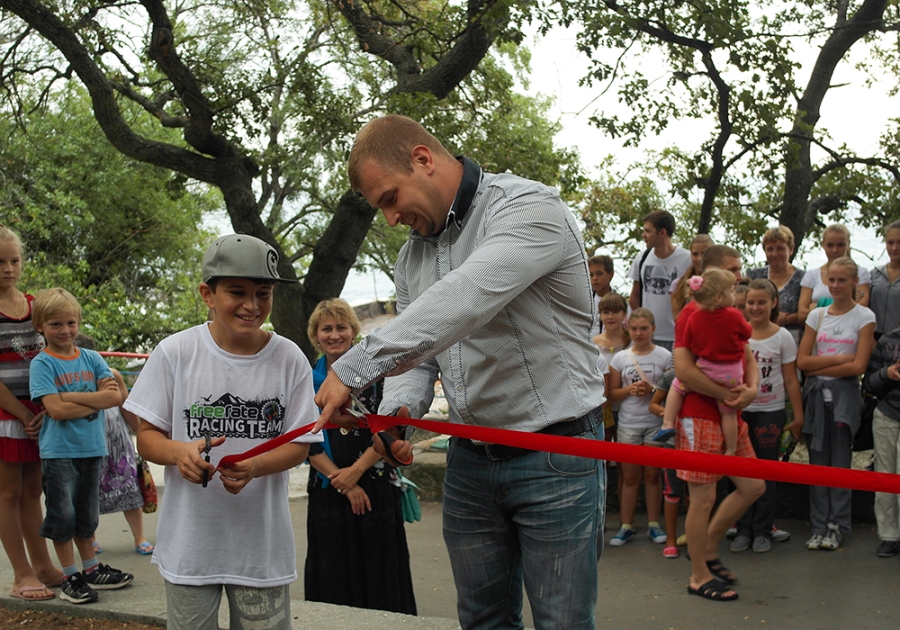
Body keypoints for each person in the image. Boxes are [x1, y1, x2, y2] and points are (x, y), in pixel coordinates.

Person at [315, 115, 605, 630]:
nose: (390, 218)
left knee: (562, 623)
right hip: (470, 463)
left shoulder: (529, 208)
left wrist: (355, 366)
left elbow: (465, 298)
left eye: (390, 198)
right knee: (481, 621)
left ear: (423, 159)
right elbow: (420, 356)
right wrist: (396, 415)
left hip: (557, 454)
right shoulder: (412, 259)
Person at [127, 234, 322, 630]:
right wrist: (180, 453)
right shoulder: (175, 353)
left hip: (261, 549)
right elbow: (146, 436)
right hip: (190, 545)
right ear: (208, 294)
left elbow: (301, 445)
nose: (252, 305)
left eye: (263, 293)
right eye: (237, 292)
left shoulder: (289, 358)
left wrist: (257, 465)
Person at [304, 298, 416, 614]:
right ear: (316, 335)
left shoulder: (378, 376)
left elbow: (390, 430)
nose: (334, 335)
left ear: (353, 331)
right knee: (332, 576)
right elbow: (305, 438)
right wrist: (345, 484)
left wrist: (355, 473)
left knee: (382, 573)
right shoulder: (306, 380)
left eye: (341, 327)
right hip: (328, 487)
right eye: (326, 329)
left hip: (375, 484)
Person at [29, 288, 133, 604]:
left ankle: (91, 568)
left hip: (92, 447)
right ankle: (69, 575)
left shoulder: (91, 358)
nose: (65, 330)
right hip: (59, 451)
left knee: (87, 513)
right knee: (63, 514)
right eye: (56, 324)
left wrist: (69, 396)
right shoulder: (42, 364)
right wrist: (92, 400)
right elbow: (55, 411)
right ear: (40, 326)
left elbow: (114, 397)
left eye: (70, 323)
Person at [674, 245, 765, 602]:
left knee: (753, 485)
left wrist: (751, 390)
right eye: (734, 269)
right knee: (702, 498)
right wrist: (727, 395)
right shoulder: (690, 314)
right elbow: (684, 371)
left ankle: (707, 549)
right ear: (708, 272)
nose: (740, 276)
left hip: (731, 413)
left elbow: (747, 355)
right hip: (699, 416)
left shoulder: (728, 310)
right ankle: (698, 576)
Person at [0, 226, 64, 602]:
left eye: (14, 260)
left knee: (32, 491)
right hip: (8, 417)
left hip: (40, 415)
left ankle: (42, 565)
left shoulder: (35, 306)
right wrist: (22, 414)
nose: (8, 269)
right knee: (7, 492)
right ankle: (21, 573)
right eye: (0, 262)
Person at [797, 256, 875, 551]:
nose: (836, 285)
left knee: (840, 465)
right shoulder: (817, 316)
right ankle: (818, 526)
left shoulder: (864, 316)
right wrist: (841, 358)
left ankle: (837, 525)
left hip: (844, 400)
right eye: (832, 280)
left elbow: (859, 367)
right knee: (817, 465)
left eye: (843, 280)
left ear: (855, 282)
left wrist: (821, 365)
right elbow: (803, 362)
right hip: (816, 399)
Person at [729, 279, 803, 553]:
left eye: (762, 302)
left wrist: (797, 415)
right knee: (739, 470)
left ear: (773, 303)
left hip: (770, 411)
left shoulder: (783, 337)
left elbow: (791, 379)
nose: (755, 307)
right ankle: (742, 527)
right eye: (750, 302)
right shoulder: (739, 334)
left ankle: (762, 528)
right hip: (740, 411)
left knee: (766, 470)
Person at [656, 268, 752, 457]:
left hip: (707, 369)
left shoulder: (694, 317)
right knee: (728, 413)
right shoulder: (734, 315)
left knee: (677, 385)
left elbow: (689, 343)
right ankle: (731, 449)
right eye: (731, 292)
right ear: (718, 297)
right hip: (732, 374)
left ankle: (667, 422)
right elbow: (747, 334)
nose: (734, 296)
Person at [72, 334, 153, 556]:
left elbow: (125, 406)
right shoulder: (69, 380)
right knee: (87, 492)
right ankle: (90, 538)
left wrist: (140, 433)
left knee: (129, 487)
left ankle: (139, 537)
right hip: (87, 442)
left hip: (117, 442)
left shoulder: (111, 375)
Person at [607, 308, 671, 547]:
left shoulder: (665, 356)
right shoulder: (620, 358)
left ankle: (654, 524)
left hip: (654, 422)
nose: (639, 333)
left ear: (653, 329)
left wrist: (652, 390)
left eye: (644, 328)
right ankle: (626, 525)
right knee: (630, 477)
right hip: (629, 423)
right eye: (634, 329)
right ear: (628, 329)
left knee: (653, 476)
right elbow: (612, 394)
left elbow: (672, 391)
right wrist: (630, 390)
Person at [628, 210, 693, 350]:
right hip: (648, 336)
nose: (643, 235)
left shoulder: (687, 259)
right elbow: (635, 294)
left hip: (677, 335)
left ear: (662, 233)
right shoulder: (643, 258)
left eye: (647, 231)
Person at [863, 315, 900, 557]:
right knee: (885, 477)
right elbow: (868, 383)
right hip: (887, 416)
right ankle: (889, 535)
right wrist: (887, 373)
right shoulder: (887, 340)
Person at [798, 224, 871, 323]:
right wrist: (847, 303)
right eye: (830, 245)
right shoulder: (812, 275)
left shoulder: (860, 273)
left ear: (848, 244)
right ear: (823, 245)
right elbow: (802, 315)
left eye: (840, 245)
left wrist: (818, 305)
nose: (835, 250)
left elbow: (861, 309)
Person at [746, 226, 806, 345]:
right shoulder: (754, 275)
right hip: (758, 337)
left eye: (780, 248)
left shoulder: (804, 278)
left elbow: (806, 314)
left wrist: (786, 319)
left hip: (793, 337)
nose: (774, 254)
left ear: (791, 249)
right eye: (770, 249)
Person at [648, 367, 682, 558]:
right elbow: (653, 405)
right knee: (672, 491)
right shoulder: (671, 376)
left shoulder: (709, 373)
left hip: (699, 442)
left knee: (699, 494)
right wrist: (669, 413)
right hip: (673, 443)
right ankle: (671, 540)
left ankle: (698, 538)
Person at [593, 292, 631, 444]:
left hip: (628, 408)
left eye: (615, 312)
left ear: (624, 314)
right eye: (605, 312)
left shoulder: (634, 342)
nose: (610, 317)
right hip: (603, 408)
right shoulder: (592, 344)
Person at [671, 234, 715, 321]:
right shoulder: (678, 284)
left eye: (704, 254)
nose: (699, 259)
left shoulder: (723, 282)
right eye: (695, 254)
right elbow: (678, 319)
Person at [868, 220, 900, 340]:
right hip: (872, 339)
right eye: (890, 243)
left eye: (899, 242)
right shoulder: (873, 274)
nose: (894, 248)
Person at [589, 255, 616, 337]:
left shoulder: (620, 304)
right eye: (591, 275)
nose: (594, 278)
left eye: (599, 274)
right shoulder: (587, 302)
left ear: (610, 274)